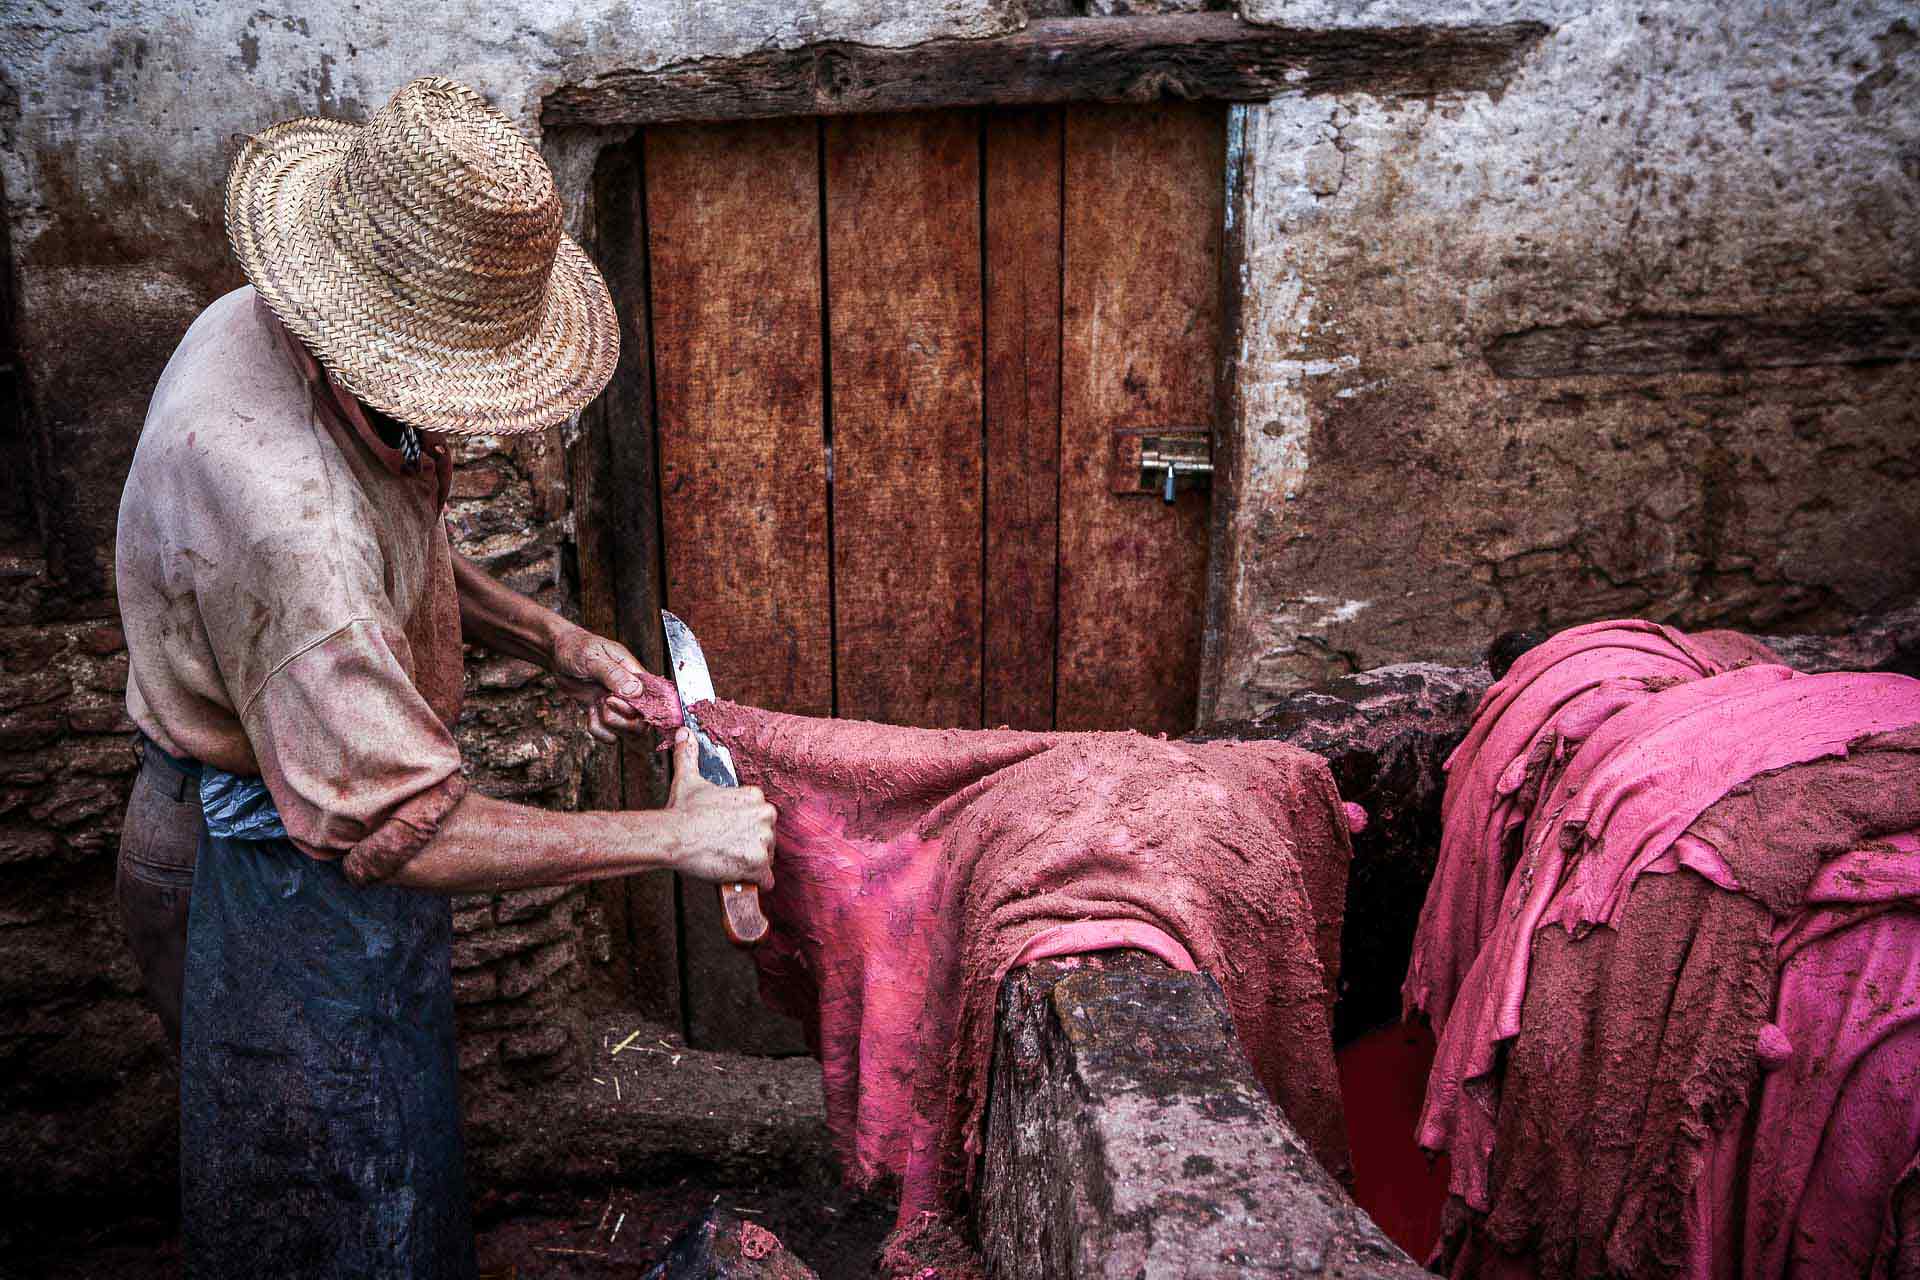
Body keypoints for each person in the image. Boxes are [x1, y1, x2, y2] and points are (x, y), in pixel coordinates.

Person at [112, 76, 775, 1279]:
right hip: (269, 865)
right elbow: (399, 834)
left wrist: (553, 638)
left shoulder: (266, 328)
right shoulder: (285, 523)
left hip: (310, 808)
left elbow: (389, 546)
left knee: (388, 1162)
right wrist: (677, 836)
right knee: (335, 1207)